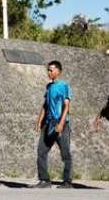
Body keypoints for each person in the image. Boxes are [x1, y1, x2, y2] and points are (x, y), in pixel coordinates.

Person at [33, 60, 73, 189]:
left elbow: (66, 106)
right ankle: (44, 180)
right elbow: (45, 105)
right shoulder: (49, 86)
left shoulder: (64, 86)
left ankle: (67, 182)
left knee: (65, 153)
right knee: (41, 151)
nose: (49, 72)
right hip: (48, 124)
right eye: (48, 70)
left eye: (51, 70)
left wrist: (61, 123)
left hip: (61, 124)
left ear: (58, 71)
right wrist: (39, 122)